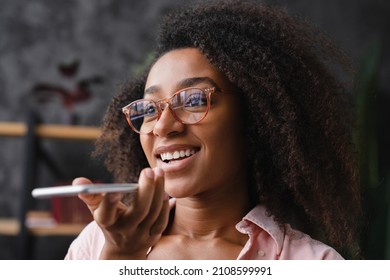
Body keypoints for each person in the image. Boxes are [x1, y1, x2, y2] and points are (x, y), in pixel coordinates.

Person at [65, 0, 362, 260]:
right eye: (149, 108)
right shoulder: (97, 245)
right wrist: (119, 258)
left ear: (254, 119)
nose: (163, 126)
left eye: (193, 99)